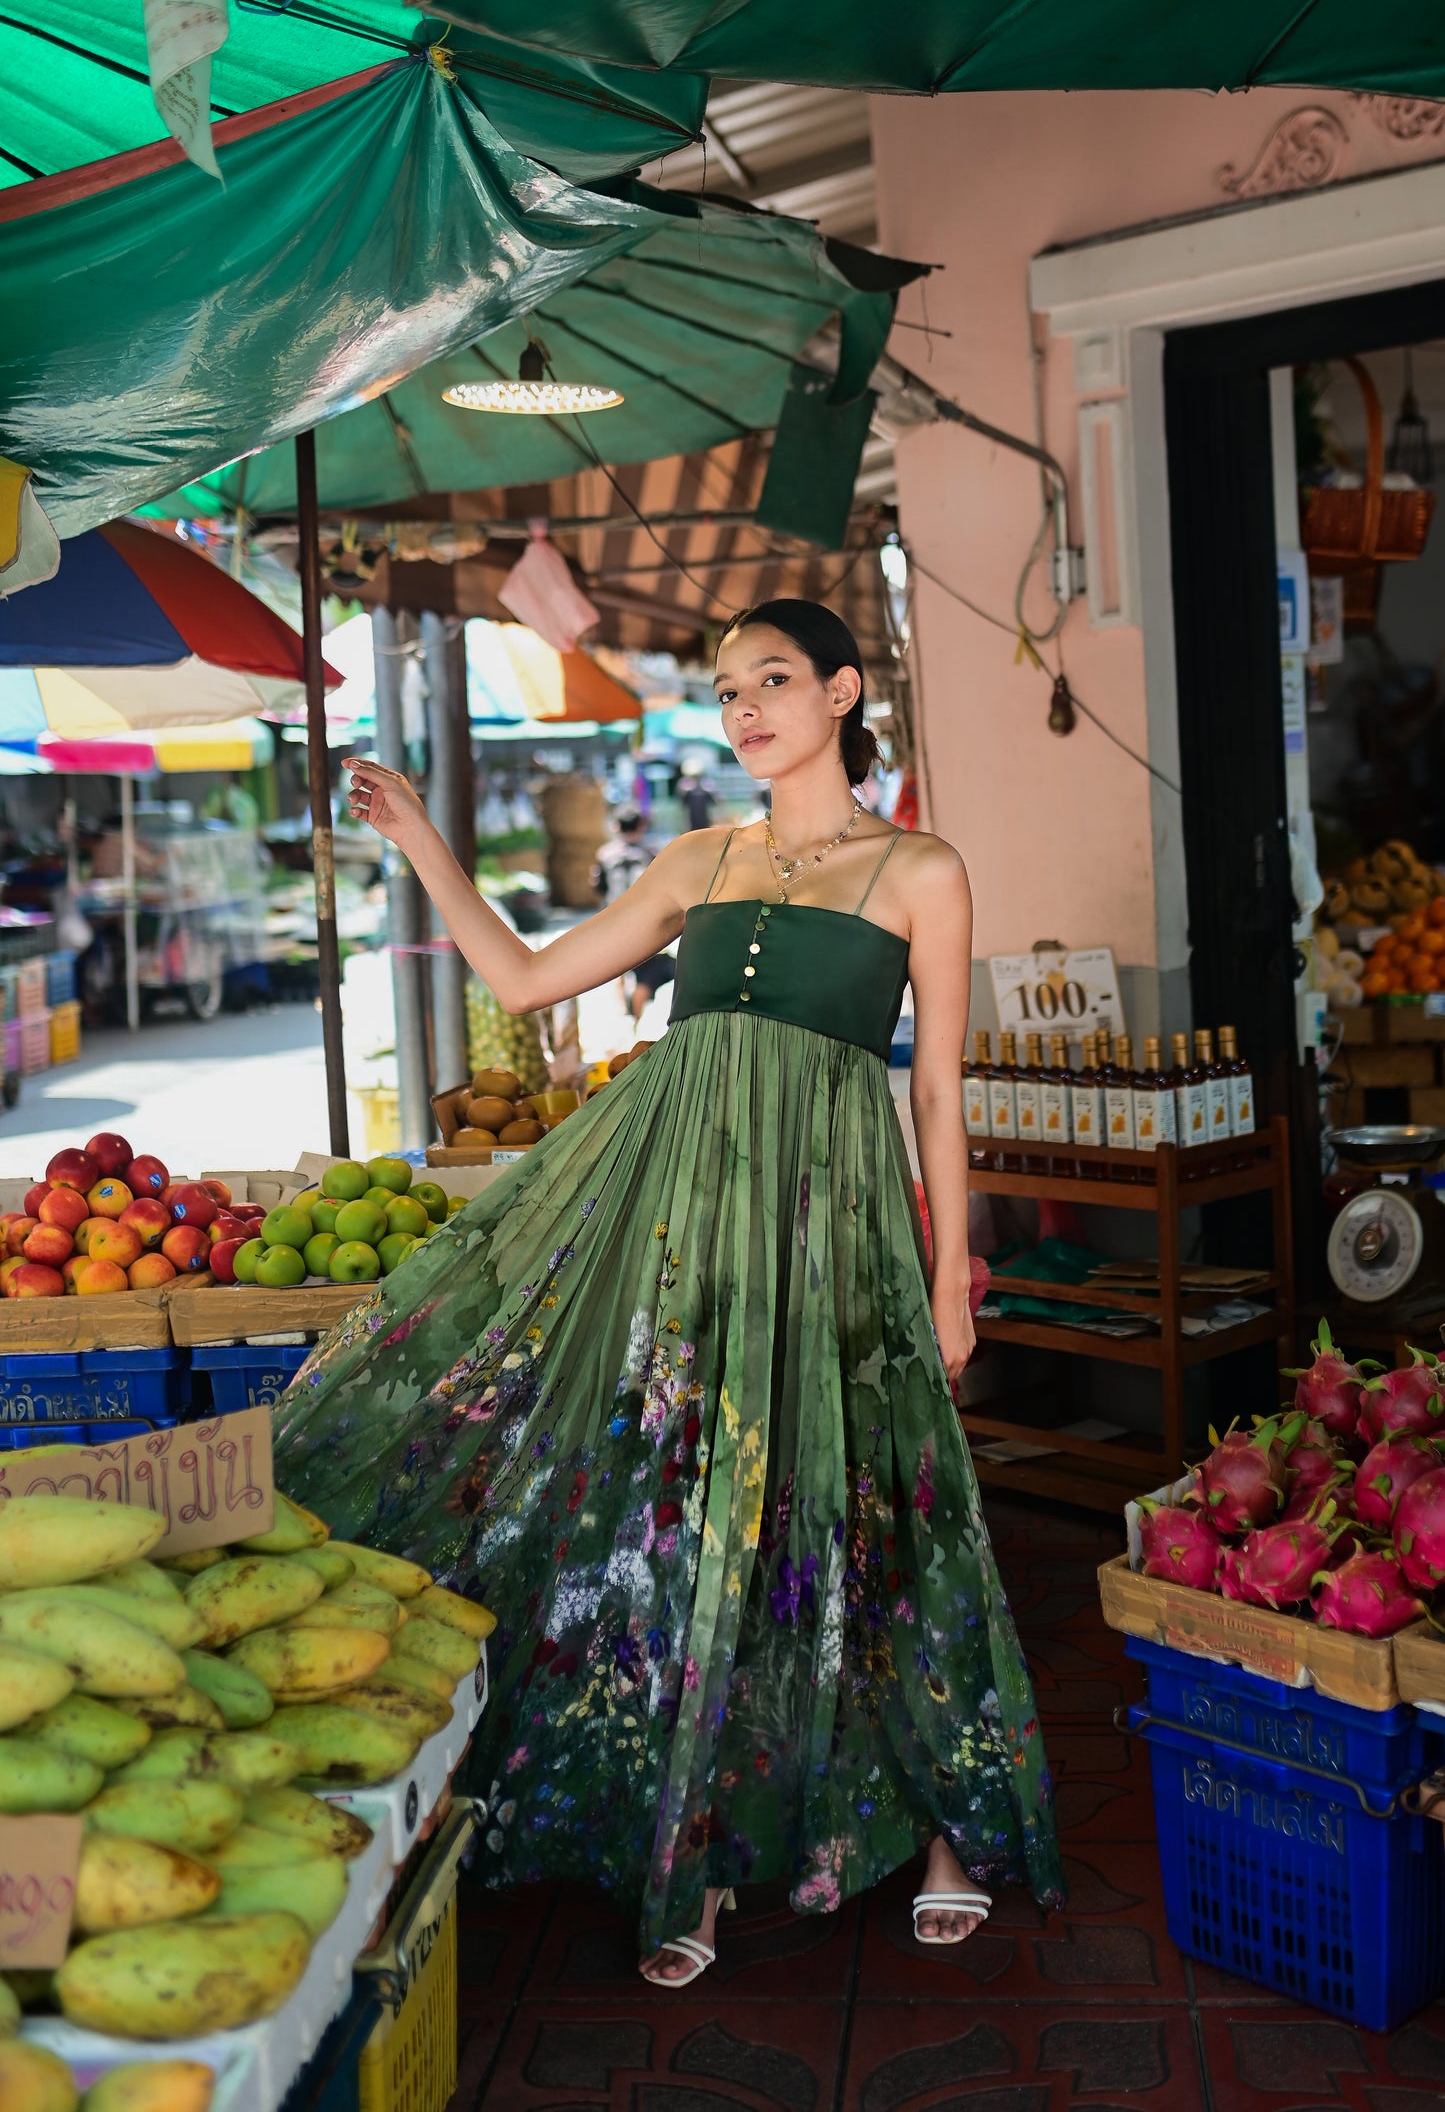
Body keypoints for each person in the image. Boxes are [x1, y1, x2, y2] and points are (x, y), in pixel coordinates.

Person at [272, 596, 1064, 1985]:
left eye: (773, 678)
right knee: (687, 1511)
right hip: (679, 1225)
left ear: (840, 690)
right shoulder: (697, 856)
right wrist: (426, 849)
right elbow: (522, 973)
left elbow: (935, 1089)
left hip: (835, 1229)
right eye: (724, 688)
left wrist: (952, 1272)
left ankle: (945, 1827)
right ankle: (686, 1851)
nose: (745, 705)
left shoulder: (918, 869)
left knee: (871, 1503)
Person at [591, 807, 677, 1026]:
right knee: (646, 972)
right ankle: (639, 1022)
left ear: (617, 827)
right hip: (644, 919)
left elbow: (598, 886)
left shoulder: (605, 854)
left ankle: (624, 1018)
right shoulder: (650, 853)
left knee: (617, 968)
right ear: (641, 826)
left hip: (614, 918)